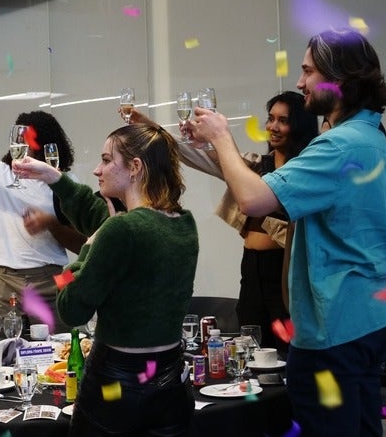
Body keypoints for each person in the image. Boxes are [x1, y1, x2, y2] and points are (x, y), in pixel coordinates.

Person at [188, 28, 386, 436]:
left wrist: (220, 136)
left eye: (307, 71)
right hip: (371, 317)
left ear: (339, 79)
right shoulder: (372, 138)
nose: (301, 82)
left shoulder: (338, 147)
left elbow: (253, 200)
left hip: (336, 327)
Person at [14, 123, 198, 436]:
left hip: (116, 387)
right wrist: (54, 178)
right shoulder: (183, 223)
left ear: (136, 167)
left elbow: (71, 308)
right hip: (170, 384)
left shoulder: (120, 230)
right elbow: (99, 216)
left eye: (106, 160)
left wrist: (87, 249)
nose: (98, 170)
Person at [133, 91, 317, 353]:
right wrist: (152, 126)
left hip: (284, 274)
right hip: (251, 270)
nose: (273, 127)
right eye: (271, 119)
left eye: (283, 121)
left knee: (288, 352)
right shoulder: (255, 165)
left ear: (298, 126)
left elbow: (297, 231)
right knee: (253, 346)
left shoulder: (304, 171)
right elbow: (197, 156)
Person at [0, 111, 82, 332]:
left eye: (26, 138)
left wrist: (50, 223)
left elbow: (81, 244)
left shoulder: (64, 183)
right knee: (1, 351)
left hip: (49, 281)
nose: (19, 143)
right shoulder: (0, 174)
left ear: (43, 143)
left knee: (59, 351)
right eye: (16, 138)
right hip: (3, 282)